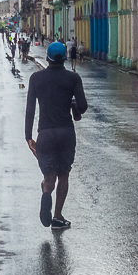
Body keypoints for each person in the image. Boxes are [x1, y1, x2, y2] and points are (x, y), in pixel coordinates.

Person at [25, 40, 87, 232]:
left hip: (45, 133)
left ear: (48, 58)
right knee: (64, 174)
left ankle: (46, 191)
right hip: (66, 133)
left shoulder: (36, 78)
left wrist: (28, 136)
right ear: (65, 58)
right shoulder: (73, 78)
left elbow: (30, 109)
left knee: (49, 176)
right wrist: (73, 106)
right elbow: (83, 106)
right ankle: (58, 217)